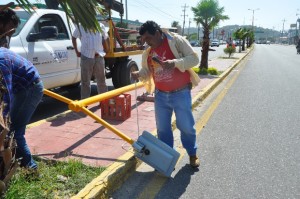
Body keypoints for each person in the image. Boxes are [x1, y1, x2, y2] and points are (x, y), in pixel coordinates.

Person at [131, 21, 201, 168]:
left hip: (180, 93)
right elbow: (148, 71)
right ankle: (168, 159)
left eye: (148, 38)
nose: (147, 42)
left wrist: (174, 62)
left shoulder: (176, 41)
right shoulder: (148, 52)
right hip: (161, 95)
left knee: (186, 126)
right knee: (163, 129)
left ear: (157, 33)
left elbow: (194, 59)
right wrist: (139, 74)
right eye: (144, 40)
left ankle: (192, 154)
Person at [0, 4, 44, 169]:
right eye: (10, 30)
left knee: (14, 130)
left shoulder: (2, 57)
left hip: (30, 88)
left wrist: (3, 120)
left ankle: (31, 169)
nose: (10, 35)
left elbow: (7, 95)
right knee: (11, 129)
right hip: (23, 86)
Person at [72, 22, 109, 100]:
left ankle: (103, 101)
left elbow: (106, 37)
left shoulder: (100, 25)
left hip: (99, 56)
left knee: (101, 80)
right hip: (86, 56)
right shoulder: (81, 26)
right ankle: (84, 102)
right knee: (85, 82)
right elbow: (74, 37)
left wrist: (106, 49)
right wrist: (77, 51)